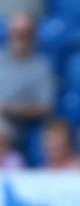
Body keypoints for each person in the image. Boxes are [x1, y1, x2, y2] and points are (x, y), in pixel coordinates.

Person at [0, 13, 55, 151]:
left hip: (16, 124)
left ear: (34, 36)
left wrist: (9, 108)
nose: (21, 38)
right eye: (17, 33)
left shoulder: (41, 67)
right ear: (9, 34)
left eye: (27, 33)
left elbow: (45, 106)